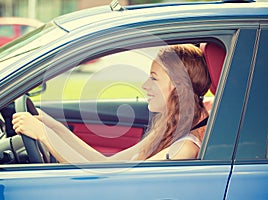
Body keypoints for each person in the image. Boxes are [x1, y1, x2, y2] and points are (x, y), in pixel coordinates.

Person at [12, 44, 211, 163]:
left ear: (178, 86)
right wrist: (51, 125)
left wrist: (44, 136)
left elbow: (104, 180)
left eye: (154, 78)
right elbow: (105, 163)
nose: (145, 85)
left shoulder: (183, 148)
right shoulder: (169, 129)